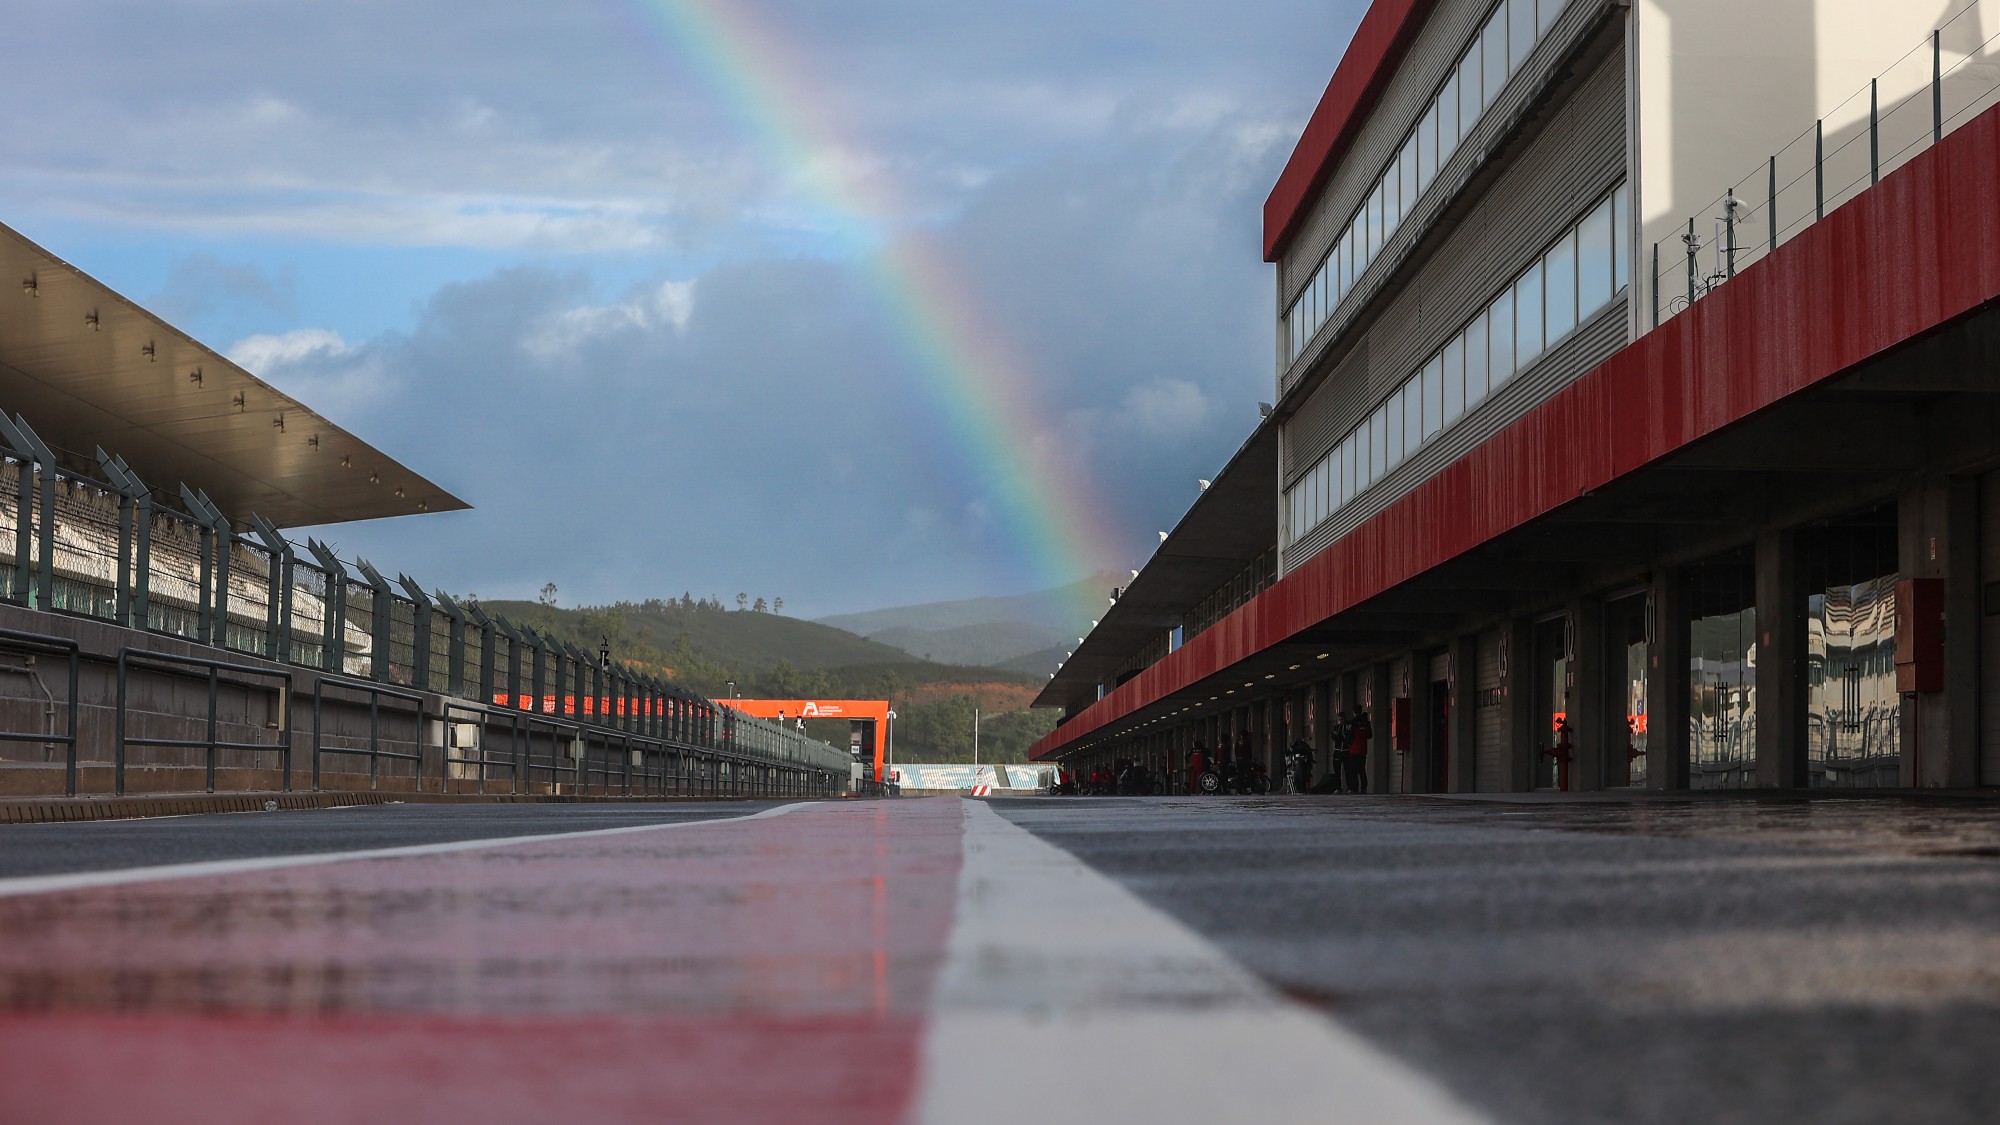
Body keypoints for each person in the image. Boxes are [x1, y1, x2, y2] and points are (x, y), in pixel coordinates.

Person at [1345, 709, 1372, 794]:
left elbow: (1349, 736)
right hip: (1363, 750)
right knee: (1362, 770)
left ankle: (1354, 788)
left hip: (1354, 749)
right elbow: (1370, 735)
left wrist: (1348, 743)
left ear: (1354, 712)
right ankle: (1364, 788)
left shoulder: (1353, 722)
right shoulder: (1366, 723)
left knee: (1353, 770)